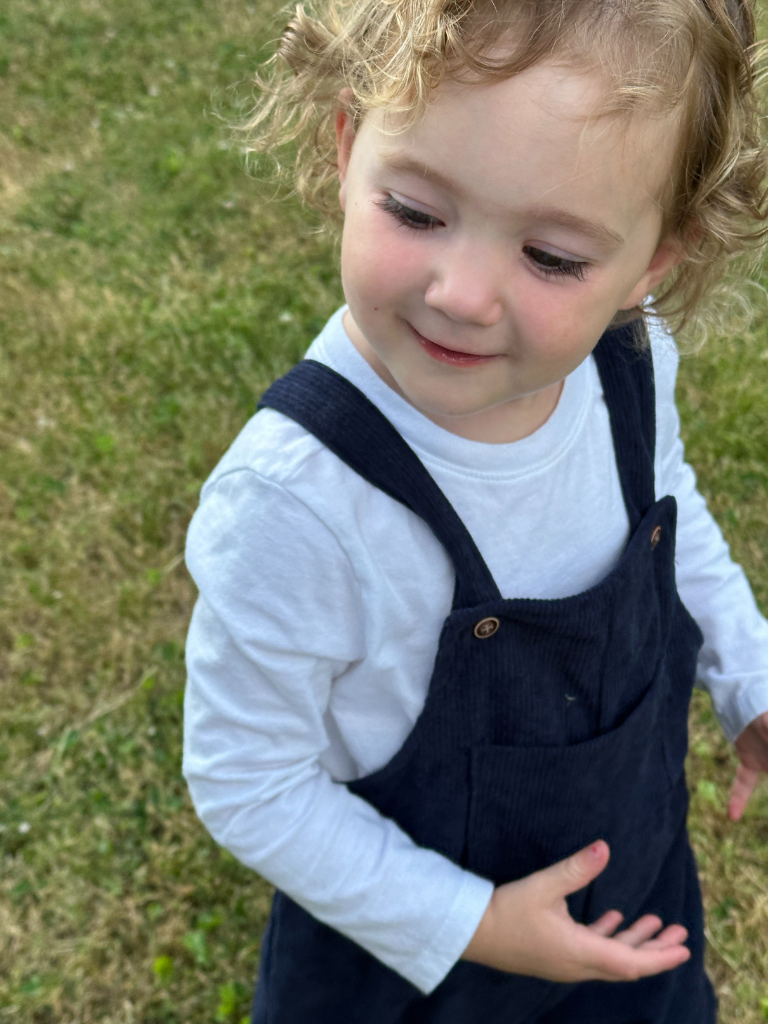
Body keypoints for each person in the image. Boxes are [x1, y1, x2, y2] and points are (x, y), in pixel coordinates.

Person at [182, 0, 768, 1020]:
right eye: (414, 211)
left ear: (651, 266)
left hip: (630, 919)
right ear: (348, 143)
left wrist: (748, 674)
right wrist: (471, 923)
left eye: (552, 257)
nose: (461, 292)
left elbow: (667, 522)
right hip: (415, 977)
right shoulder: (297, 502)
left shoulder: (628, 368)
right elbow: (248, 779)